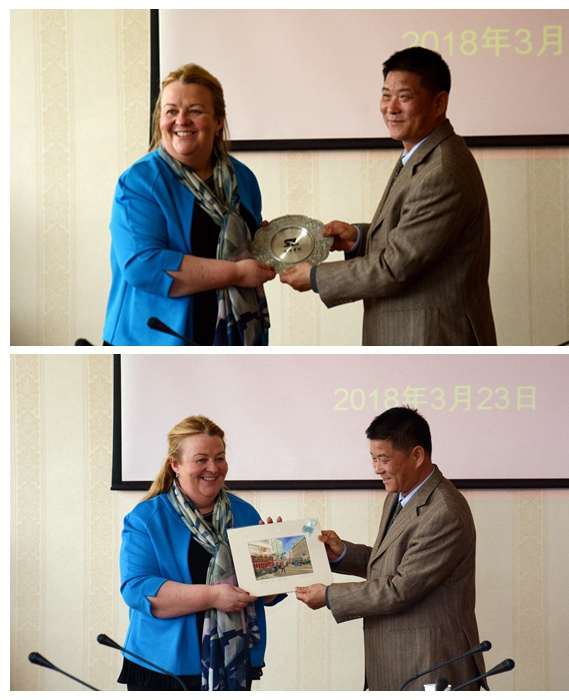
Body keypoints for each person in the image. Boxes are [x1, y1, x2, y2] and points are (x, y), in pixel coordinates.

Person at [280, 47, 496, 346]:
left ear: (439, 103)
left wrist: (316, 277)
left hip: (431, 340)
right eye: (386, 95)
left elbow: (396, 265)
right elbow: (417, 238)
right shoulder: (422, 153)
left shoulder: (442, 171)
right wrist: (358, 238)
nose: (391, 108)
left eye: (404, 97)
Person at [295, 406, 487, 691]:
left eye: (384, 459)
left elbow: (401, 588)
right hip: (398, 661)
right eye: (373, 459)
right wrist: (343, 553)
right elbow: (395, 562)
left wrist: (329, 595)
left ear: (417, 455)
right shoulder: (399, 495)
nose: (377, 469)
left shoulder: (444, 511)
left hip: (430, 663)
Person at [103, 64, 275, 346]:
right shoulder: (139, 182)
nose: (181, 120)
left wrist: (268, 244)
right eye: (171, 111)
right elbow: (143, 266)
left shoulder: (243, 178)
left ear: (218, 121)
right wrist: (236, 273)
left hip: (234, 341)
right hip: (155, 343)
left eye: (194, 111)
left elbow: (245, 246)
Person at [118, 415, 283, 691]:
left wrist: (275, 565)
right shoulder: (146, 518)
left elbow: (266, 596)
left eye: (220, 458)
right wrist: (213, 597)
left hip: (234, 662)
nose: (213, 468)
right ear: (175, 465)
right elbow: (137, 590)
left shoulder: (245, 513)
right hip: (163, 667)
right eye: (201, 459)